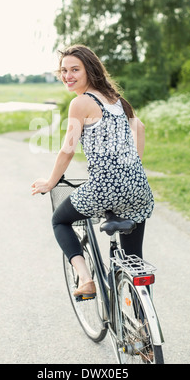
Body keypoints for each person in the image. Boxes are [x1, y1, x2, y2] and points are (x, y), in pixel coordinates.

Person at [31, 44, 154, 300]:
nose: (68, 76)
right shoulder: (116, 99)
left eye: (75, 69)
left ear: (90, 70)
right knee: (134, 260)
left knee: (59, 220)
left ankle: (86, 280)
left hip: (104, 190)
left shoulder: (81, 102)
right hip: (138, 188)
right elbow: (139, 128)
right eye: (63, 70)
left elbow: (67, 150)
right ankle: (144, 325)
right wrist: (131, 168)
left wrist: (50, 182)